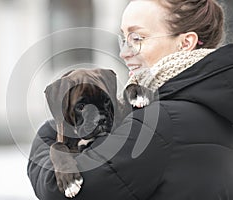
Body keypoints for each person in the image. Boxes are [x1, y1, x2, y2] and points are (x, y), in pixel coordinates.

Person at [27, 0, 233, 199]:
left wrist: (49, 135)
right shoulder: (212, 99)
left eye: (138, 38)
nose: (124, 53)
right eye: (123, 39)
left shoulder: (159, 121)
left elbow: (60, 190)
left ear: (185, 43)